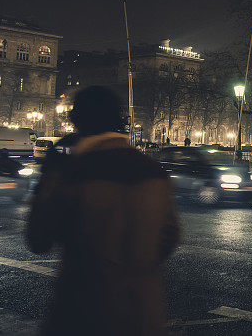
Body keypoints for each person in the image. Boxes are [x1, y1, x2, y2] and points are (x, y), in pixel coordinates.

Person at [27, 86, 180, 335]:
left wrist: (50, 173)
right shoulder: (153, 169)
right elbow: (170, 236)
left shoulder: (74, 171)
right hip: (143, 313)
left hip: (83, 312)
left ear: (76, 120)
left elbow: (38, 238)